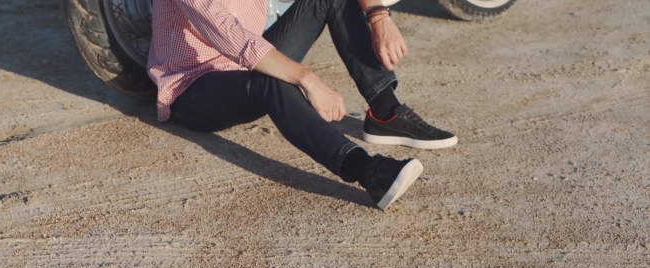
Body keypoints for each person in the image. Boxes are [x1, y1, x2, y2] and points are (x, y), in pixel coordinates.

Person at [147, 0, 457, 210]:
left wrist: (378, 16)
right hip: (194, 88)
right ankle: (366, 171)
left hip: (246, 65)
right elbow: (233, 38)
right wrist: (307, 79)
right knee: (272, 81)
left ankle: (386, 112)